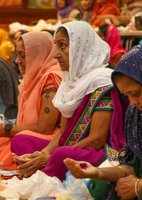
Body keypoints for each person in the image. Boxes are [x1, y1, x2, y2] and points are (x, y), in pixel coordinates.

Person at [9, 21, 129, 181]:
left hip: (99, 153)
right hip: (71, 148)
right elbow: (63, 135)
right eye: (55, 46)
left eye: (62, 46)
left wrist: (51, 156)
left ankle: (42, 179)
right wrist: (44, 153)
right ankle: (42, 176)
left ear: (81, 49)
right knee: (21, 140)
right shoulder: (69, 82)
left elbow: (97, 140)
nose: (56, 54)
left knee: (61, 154)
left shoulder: (102, 82)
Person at [0, 31, 62, 170]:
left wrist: (4, 128)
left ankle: (14, 160)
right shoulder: (32, 79)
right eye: (17, 54)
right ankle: (11, 158)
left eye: (23, 56)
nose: (17, 61)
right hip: (30, 136)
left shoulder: (51, 79)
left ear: (39, 55)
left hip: (50, 141)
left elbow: (44, 129)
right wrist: (1, 131)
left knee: (20, 140)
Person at [64, 45, 142, 200]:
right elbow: (131, 167)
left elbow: (96, 139)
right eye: (126, 96)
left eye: (136, 93)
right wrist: (97, 173)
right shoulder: (136, 114)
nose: (132, 102)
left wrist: (138, 187)